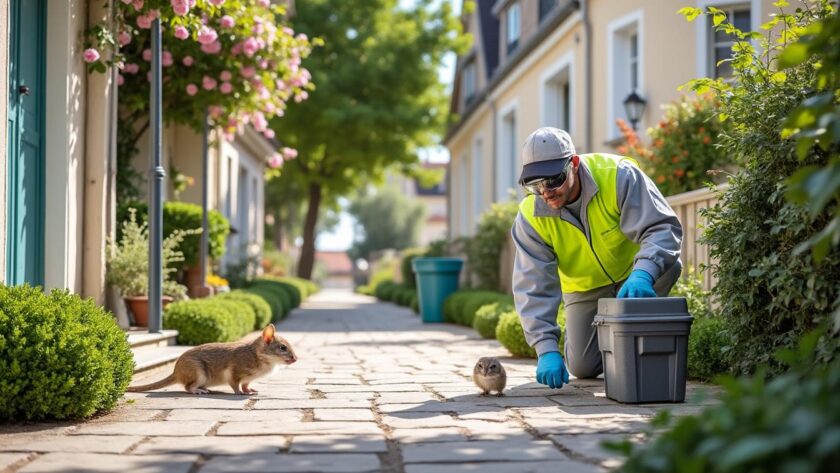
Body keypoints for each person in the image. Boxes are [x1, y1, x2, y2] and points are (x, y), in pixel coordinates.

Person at [511, 127, 683, 389]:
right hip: (585, 288)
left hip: (635, 276)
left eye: (553, 180)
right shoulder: (530, 217)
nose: (545, 192)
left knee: (667, 268)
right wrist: (545, 348)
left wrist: (644, 272)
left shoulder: (618, 176)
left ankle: (641, 341)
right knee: (582, 367)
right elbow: (532, 284)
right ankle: (617, 337)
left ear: (574, 164)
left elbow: (662, 228)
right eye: (535, 184)